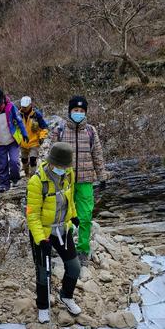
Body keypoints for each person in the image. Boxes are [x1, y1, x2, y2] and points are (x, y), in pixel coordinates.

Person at [26, 142, 82, 322]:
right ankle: (42, 305)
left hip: (63, 229)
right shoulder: (37, 182)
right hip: (43, 232)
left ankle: (66, 295)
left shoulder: (69, 175)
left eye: (65, 167)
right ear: (51, 162)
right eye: (59, 166)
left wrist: (73, 216)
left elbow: (68, 199)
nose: (62, 170)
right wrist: (41, 240)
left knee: (74, 267)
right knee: (44, 272)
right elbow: (32, 215)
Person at [53, 95, 107, 266]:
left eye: (81, 111)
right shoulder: (60, 129)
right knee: (61, 215)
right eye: (75, 110)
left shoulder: (91, 131)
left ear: (85, 112)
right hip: (65, 180)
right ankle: (62, 246)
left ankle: (82, 249)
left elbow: (97, 155)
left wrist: (102, 176)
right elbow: (52, 156)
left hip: (85, 181)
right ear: (70, 111)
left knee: (84, 216)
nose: (78, 113)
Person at [19, 96, 48, 178]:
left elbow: (44, 128)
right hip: (23, 143)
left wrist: (42, 137)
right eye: (22, 107)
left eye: (26, 107)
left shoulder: (37, 115)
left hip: (34, 142)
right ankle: (26, 173)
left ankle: (33, 176)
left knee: (32, 160)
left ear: (30, 105)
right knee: (24, 160)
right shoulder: (18, 115)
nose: (24, 108)